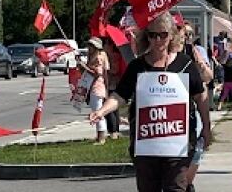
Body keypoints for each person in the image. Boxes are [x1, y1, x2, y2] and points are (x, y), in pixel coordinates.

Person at [89, 11, 212, 192]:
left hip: (178, 143)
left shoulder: (185, 65)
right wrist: (101, 111)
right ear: (146, 37)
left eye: (163, 34)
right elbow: (120, 96)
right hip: (146, 144)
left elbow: (200, 96)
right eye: (153, 35)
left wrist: (206, 128)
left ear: (171, 35)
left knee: (176, 187)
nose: (158, 40)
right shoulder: (137, 67)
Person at [177, 23, 213, 192]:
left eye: (189, 34)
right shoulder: (164, 55)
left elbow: (208, 77)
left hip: (193, 108)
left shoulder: (195, 51)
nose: (186, 36)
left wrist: (200, 63)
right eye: (183, 32)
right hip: (174, 113)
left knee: (196, 152)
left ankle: (187, 183)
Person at [79, 36, 111, 145]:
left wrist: (84, 67)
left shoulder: (98, 57)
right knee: (95, 111)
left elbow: (97, 73)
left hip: (97, 87)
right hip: (92, 86)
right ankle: (99, 136)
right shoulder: (92, 56)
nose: (89, 48)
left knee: (98, 112)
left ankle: (102, 137)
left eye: (91, 46)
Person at [105, 38, 127, 140]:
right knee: (114, 108)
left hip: (113, 83)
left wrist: (106, 70)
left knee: (110, 108)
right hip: (112, 83)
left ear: (109, 45)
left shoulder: (114, 56)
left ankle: (113, 131)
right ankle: (115, 130)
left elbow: (115, 70)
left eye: (105, 44)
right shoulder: (109, 55)